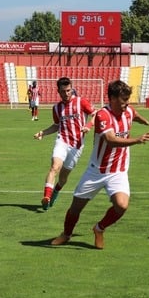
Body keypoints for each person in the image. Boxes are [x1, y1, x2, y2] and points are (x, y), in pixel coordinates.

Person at [50, 80, 149, 249]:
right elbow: (111, 140)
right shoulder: (102, 115)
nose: (125, 105)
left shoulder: (127, 110)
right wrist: (137, 140)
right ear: (111, 99)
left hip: (118, 171)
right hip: (96, 171)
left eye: (127, 101)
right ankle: (66, 234)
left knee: (121, 206)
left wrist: (144, 120)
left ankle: (99, 229)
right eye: (122, 102)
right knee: (75, 208)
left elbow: (133, 113)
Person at [33, 77, 96, 211]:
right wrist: (43, 133)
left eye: (68, 90)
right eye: (63, 91)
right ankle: (46, 197)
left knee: (63, 179)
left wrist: (88, 125)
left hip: (77, 146)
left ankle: (55, 191)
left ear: (71, 89)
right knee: (54, 167)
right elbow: (56, 126)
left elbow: (96, 114)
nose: (66, 94)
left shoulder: (81, 102)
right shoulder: (56, 108)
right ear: (58, 91)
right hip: (62, 141)